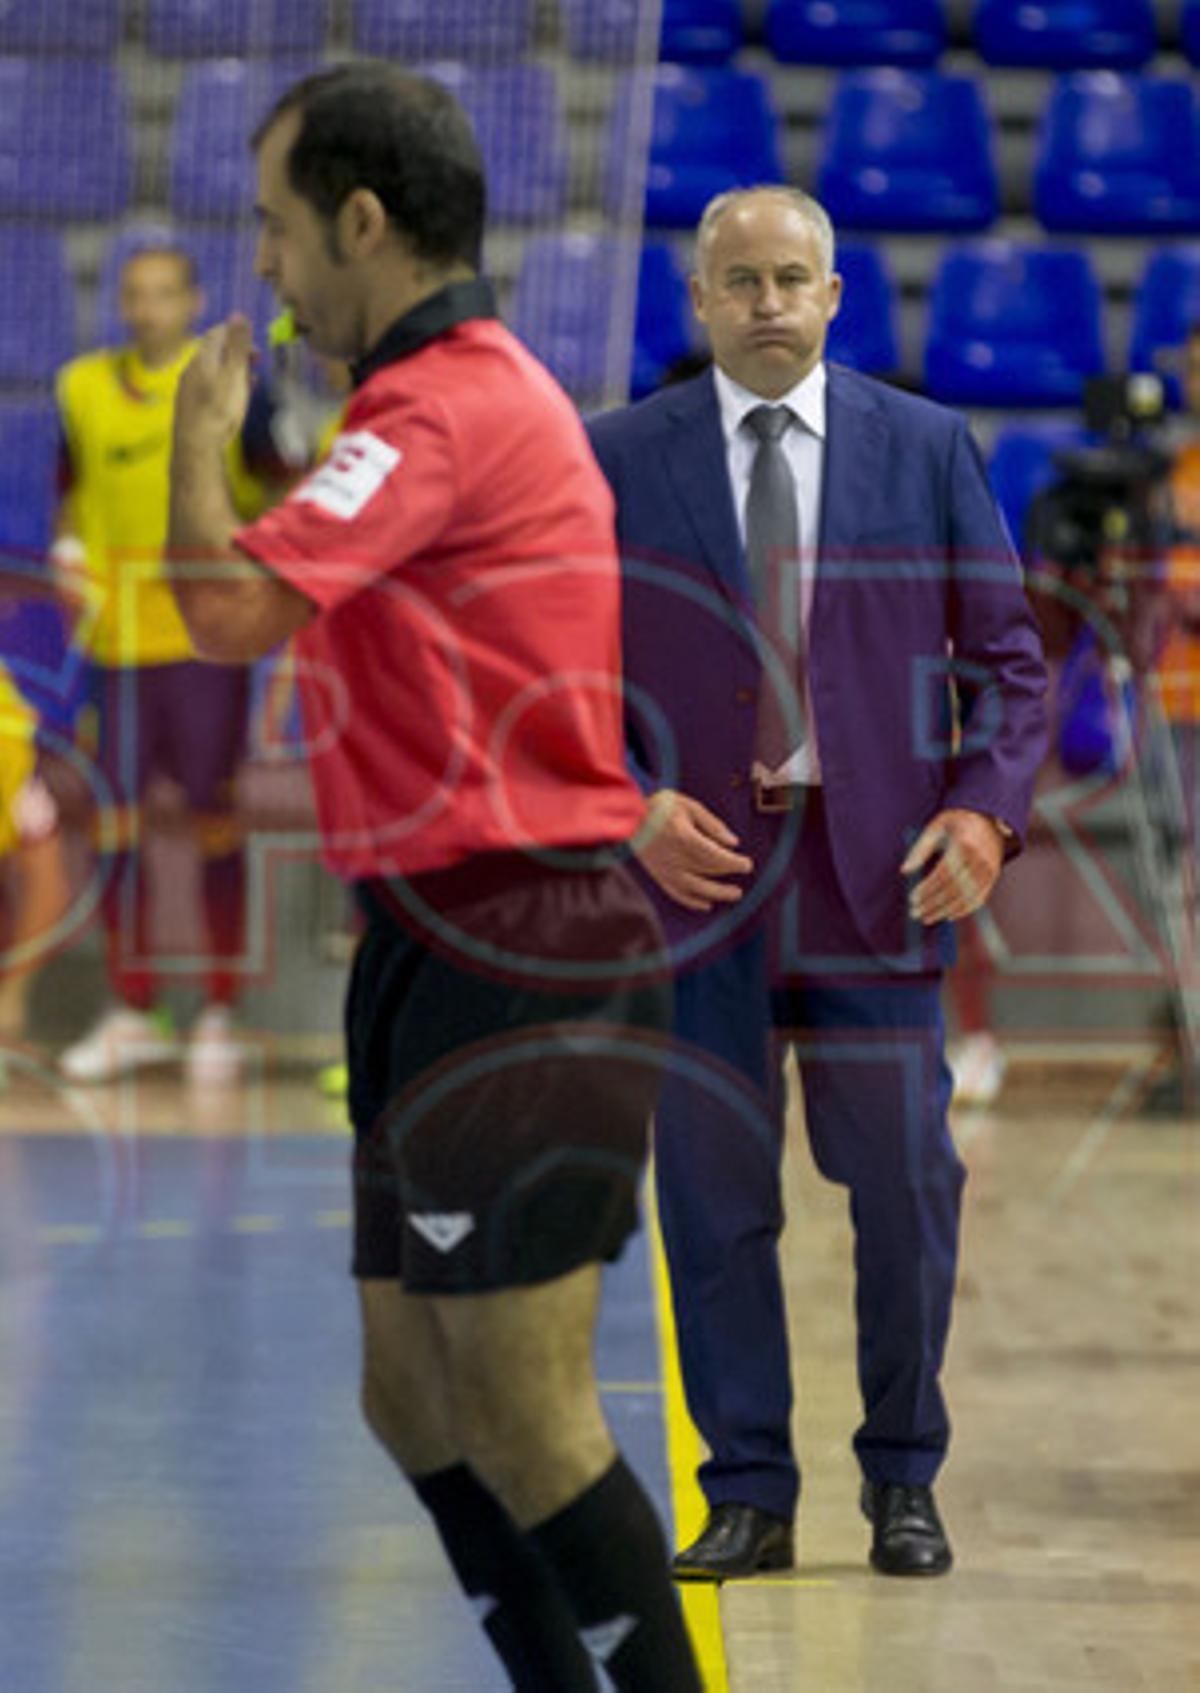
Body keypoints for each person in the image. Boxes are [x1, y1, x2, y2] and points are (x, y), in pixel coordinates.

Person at [164, 63, 701, 1692]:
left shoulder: (449, 402)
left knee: (528, 1413)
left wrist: (198, 443)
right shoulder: (416, 410)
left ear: (363, 220)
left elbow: (230, 612)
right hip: (431, 933)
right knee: (410, 1390)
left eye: (276, 226)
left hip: (522, 942)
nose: (265, 264)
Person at [587, 186, 1048, 1581]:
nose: (769, 303)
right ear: (702, 301)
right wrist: (630, 804)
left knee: (909, 1182)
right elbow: (554, 681)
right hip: (696, 880)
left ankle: (903, 1477)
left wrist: (982, 817)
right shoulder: (613, 459)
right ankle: (748, 1491)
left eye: (794, 279)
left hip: (876, 877)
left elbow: (1012, 673)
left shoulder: (925, 447)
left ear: (835, 296)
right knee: (715, 1197)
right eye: (742, 280)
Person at [52, 241, 263, 1085]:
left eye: (164, 293)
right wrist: (69, 544)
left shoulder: (231, 384)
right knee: (117, 828)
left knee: (215, 824)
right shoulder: (81, 388)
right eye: (133, 294)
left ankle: (218, 1012)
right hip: (118, 648)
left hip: (206, 643)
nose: (147, 309)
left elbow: (279, 489)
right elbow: (70, 487)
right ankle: (136, 1010)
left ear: (193, 299)